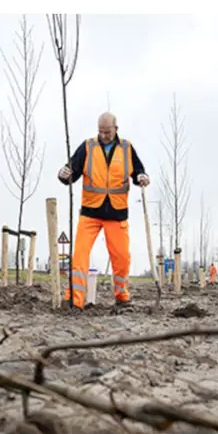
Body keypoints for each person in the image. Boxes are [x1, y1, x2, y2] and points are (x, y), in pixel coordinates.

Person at [57, 112, 150, 310]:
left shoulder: (126, 148)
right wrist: (63, 175)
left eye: (107, 132)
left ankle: (122, 296)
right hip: (90, 212)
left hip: (116, 213)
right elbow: (70, 172)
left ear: (116, 129)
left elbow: (139, 171)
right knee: (80, 256)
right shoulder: (88, 146)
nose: (104, 135)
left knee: (122, 257)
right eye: (101, 131)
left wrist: (142, 177)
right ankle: (75, 300)